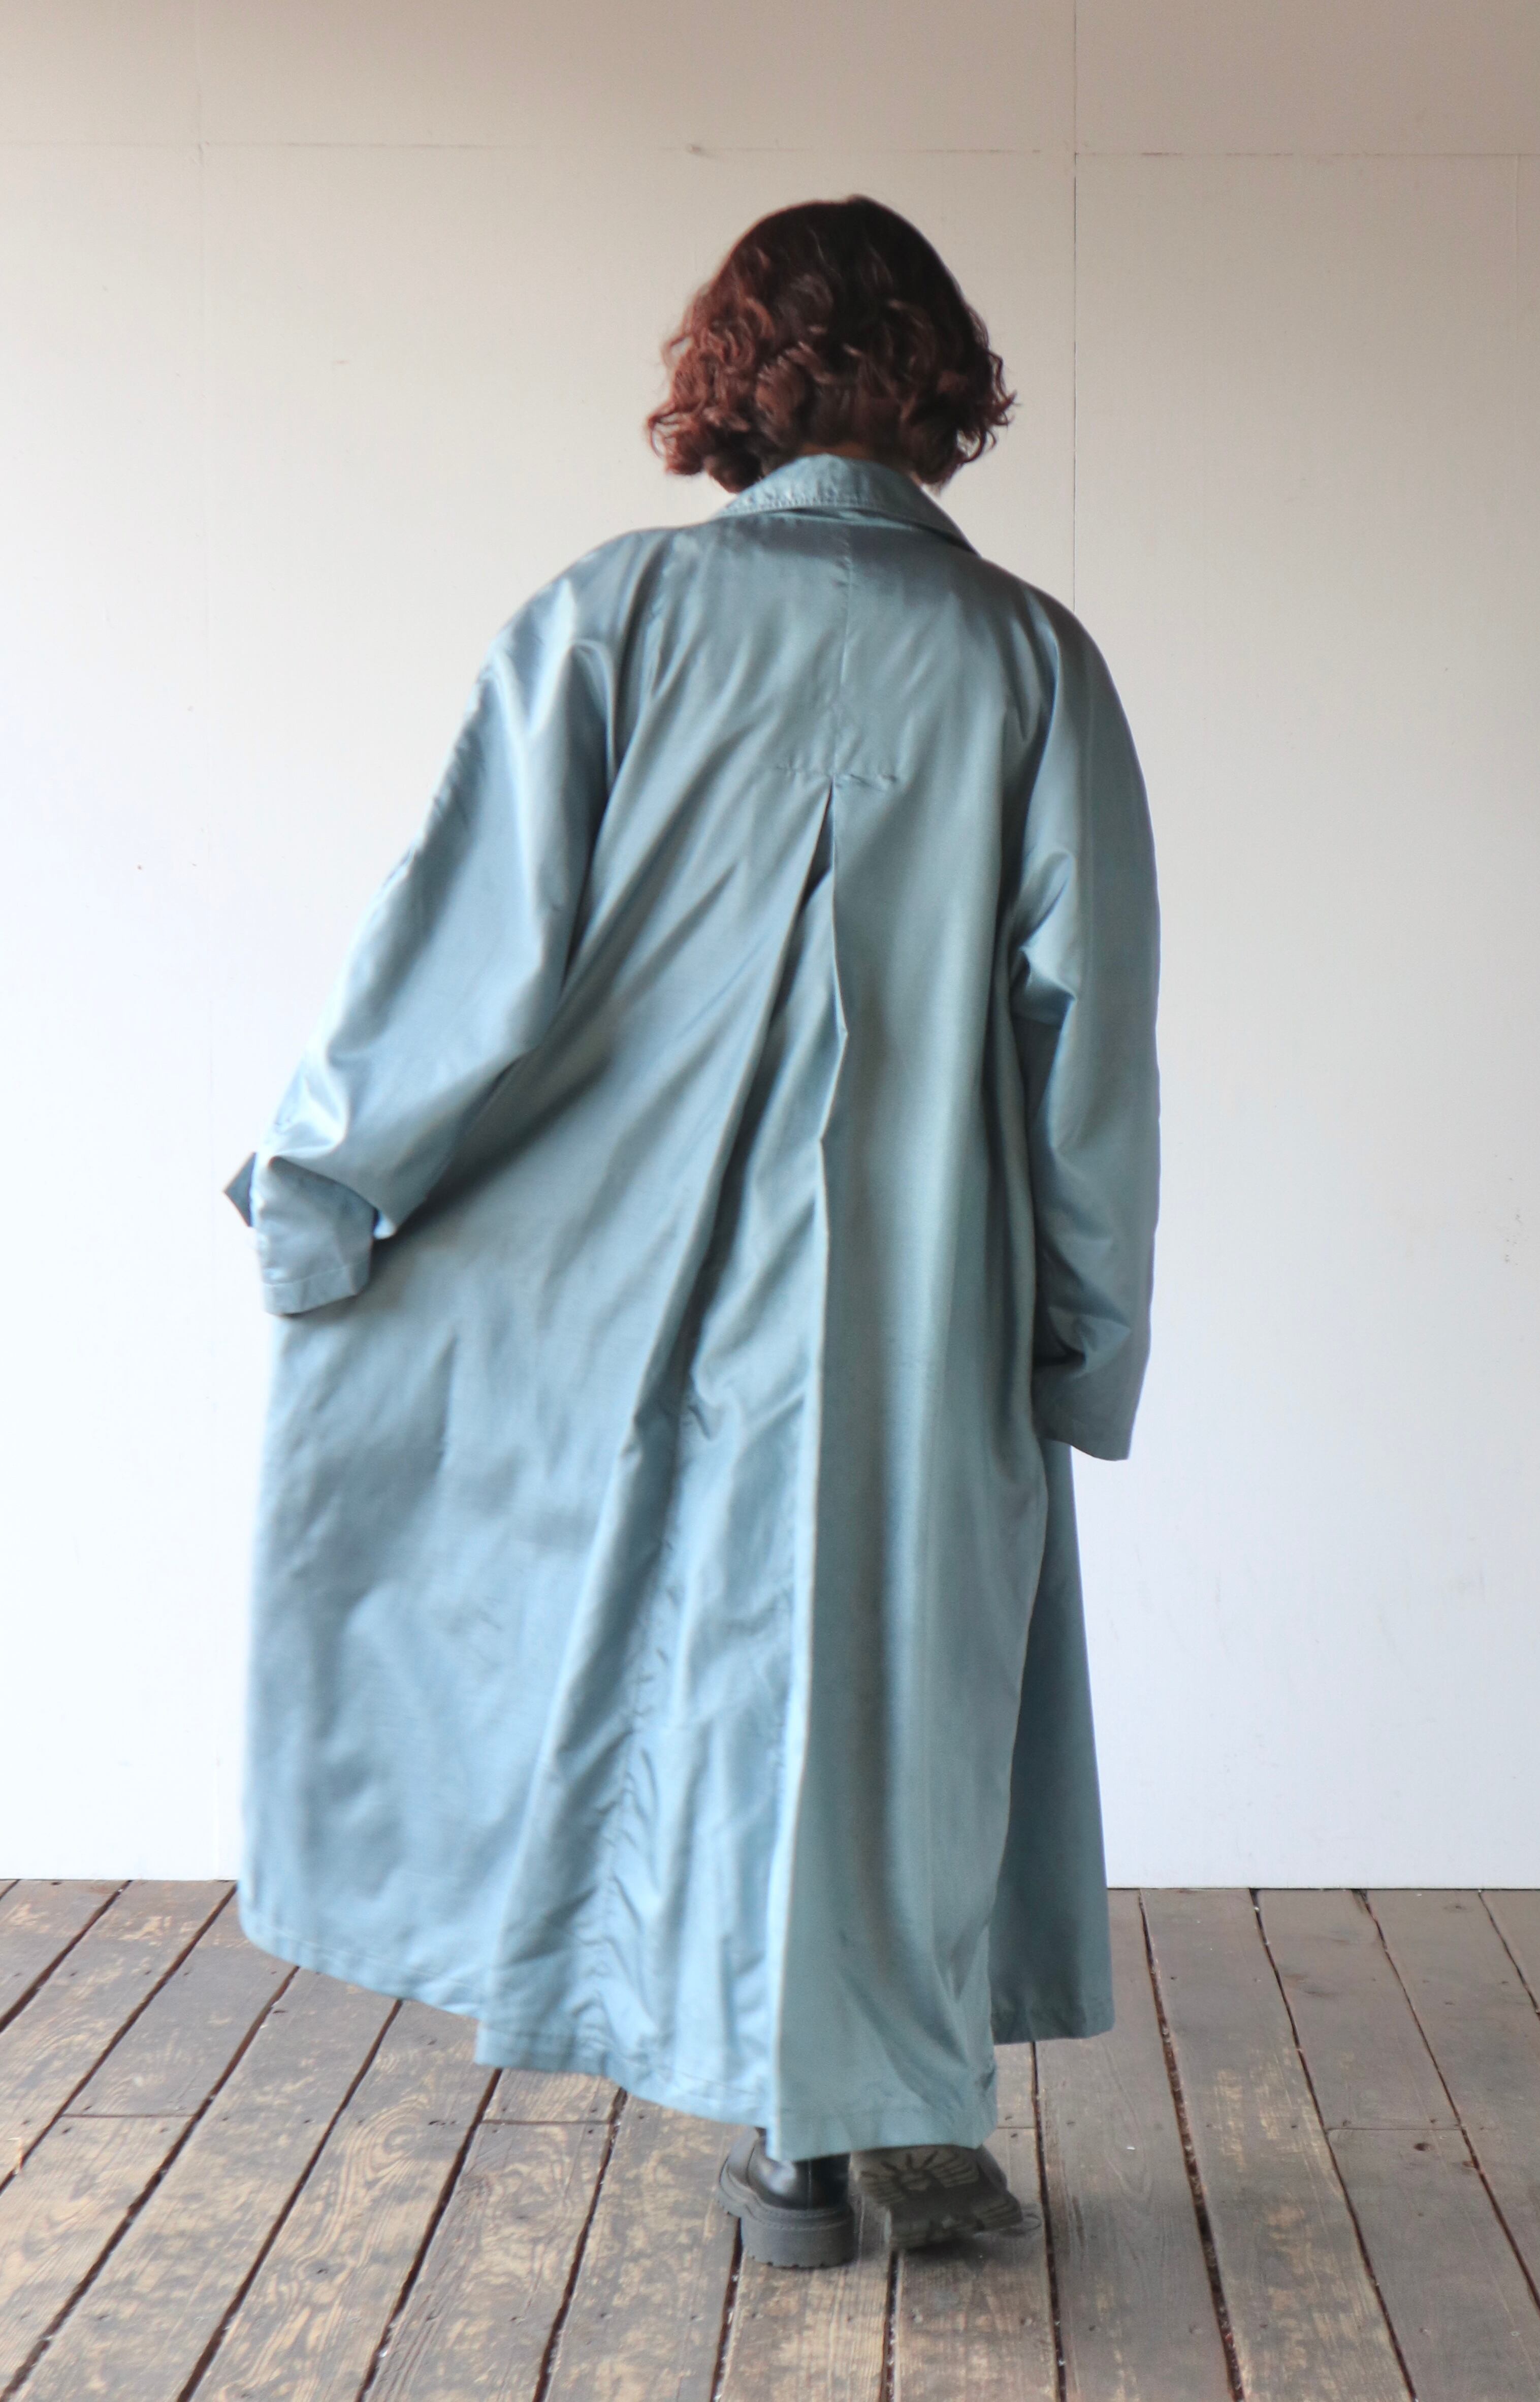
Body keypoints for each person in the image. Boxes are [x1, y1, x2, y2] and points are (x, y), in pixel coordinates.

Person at [225, 196, 1160, 2271]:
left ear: (731, 375)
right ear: (941, 382)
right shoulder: (1027, 659)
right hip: (922, 1282)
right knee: (896, 1679)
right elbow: (1085, 1043)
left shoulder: (610, 619)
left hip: (623, 1285)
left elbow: (461, 960)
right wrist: (1081, 1335)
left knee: (660, 1674)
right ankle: (871, 2113)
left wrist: (325, 1193)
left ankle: (799, 2127)